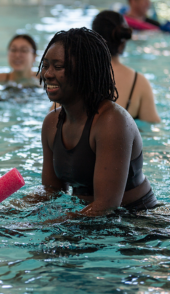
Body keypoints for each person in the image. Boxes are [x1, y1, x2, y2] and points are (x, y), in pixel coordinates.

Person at [35, 27, 157, 218]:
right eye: (45, 65)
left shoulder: (112, 122)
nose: (47, 74)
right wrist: (5, 211)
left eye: (58, 67)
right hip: (88, 220)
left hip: (136, 222)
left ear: (85, 71)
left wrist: (46, 226)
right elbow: (51, 191)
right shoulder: (52, 123)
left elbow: (106, 206)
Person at [92, 10, 160, 123]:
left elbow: (55, 119)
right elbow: (152, 125)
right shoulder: (139, 82)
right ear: (123, 41)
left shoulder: (76, 76)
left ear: (92, 41)